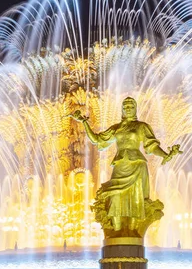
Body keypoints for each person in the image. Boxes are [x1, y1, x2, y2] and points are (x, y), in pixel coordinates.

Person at [71, 97, 181, 233]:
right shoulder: (116, 128)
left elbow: (151, 146)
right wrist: (83, 122)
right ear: (122, 109)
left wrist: (165, 155)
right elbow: (97, 140)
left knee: (136, 197)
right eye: (125, 106)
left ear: (135, 108)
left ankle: (133, 232)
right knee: (115, 195)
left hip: (137, 165)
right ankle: (116, 231)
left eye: (131, 106)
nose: (128, 109)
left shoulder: (141, 126)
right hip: (120, 164)